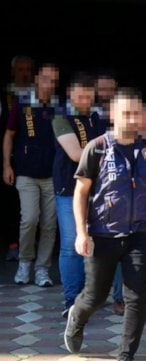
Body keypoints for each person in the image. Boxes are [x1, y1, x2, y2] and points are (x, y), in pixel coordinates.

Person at [63, 87, 146, 361]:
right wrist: (81, 233)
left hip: (140, 232)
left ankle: (125, 359)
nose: (132, 119)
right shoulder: (97, 148)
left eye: (136, 113)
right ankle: (77, 317)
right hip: (103, 235)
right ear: (113, 114)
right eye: (126, 113)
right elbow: (81, 192)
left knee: (137, 297)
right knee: (96, 296)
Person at [2, 62, 60, 286]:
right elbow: (9, 135)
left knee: (49, 224)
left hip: (52, 174)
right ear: (37, 79)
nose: (49, 84)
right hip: (26, 173)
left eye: (54, 81)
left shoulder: (60, 106)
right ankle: (25, 262)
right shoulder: (22, 104)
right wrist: (7, 165)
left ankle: (42, 269)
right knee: (29, 219)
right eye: (46, 79)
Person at [52, 72, 105, 316]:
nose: (84, 100)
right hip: (69, 188)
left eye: (88, 95)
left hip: (98, 187)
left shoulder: (97, 117)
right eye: (80, 96)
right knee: (71, 243)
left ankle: (90, 296)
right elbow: (75, 154)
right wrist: (106, 153)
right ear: (69, 94)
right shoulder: (60, 117)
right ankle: (71, 300)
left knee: (97, 242)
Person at [111, 105, 146, 315]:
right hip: (124, 211)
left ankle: (139, 288)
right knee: (124, 254)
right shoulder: (115, 144)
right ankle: (122, 297)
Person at [1, 55, 34, 262]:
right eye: (20, 69)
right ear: (13, 72)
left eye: (28, 69)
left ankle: (32, 244)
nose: (24, 74)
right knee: (11, 202)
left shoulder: (40, 96)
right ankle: (13, 243)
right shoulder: (5, 95)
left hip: (34, 157)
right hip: (10, 156)